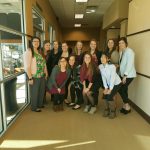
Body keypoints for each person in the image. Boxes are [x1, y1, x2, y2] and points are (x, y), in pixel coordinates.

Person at [24, 36, 48, 112]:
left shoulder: (39, 51)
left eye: (38, 41)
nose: (36, 43)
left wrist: (46, 72)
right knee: (35, 92)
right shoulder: (29, 51)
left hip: (41, 75)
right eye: (34, 41)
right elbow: (27, 66)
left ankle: (39, 104)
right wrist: (30, 78)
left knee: (41, 91)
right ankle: (34, 107)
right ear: (31, 42)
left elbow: (44, 63)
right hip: (34, 76)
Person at [99, 53, 122, 119]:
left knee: (109, 96)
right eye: (101, 57)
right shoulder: (100, 66)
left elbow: (112, 78)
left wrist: (110, 89)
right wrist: (106, 88)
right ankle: (107, 109)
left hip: (116, 83)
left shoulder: (112, 67)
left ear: (107, 59)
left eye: (104, 57)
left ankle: (113, 111)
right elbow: (103, 77)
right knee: (104, 95)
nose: (102, 59)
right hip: (109, 84)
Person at [118, 37, 136, 114]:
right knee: (124, 89)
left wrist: (125, 76)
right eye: (119, 43)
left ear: (126, 43)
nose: (120, 44)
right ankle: (125, 106)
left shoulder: (130, 52)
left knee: (121, 88)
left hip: (129, 75)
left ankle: (127, 105)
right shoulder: (122, 52)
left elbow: (129, 64)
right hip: (122, 74)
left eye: (122, 43)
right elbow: (122, 64)